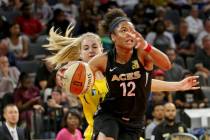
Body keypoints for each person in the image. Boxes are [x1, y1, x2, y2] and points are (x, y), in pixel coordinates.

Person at [45, 8, 199, 140]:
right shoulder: (84, 74)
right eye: (86, 48)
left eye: (94, 47)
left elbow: (145, 84)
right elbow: (71, 81)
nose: (91, 51)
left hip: (130, 123)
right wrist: (62, 75)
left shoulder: (118, 64)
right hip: (100, 128)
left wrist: (177, 85)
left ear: (102, 50)